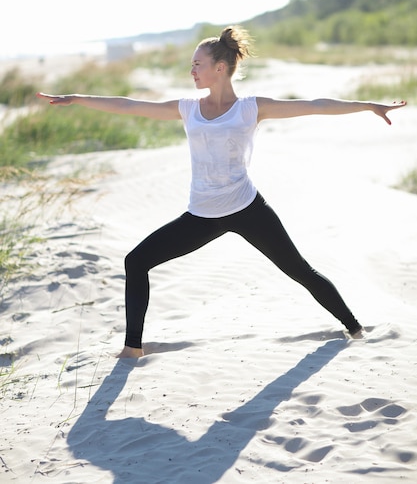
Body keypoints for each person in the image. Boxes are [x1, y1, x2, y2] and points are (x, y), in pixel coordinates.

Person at [37, 26, 406, 358]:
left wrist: (369, 106)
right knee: (137, 261)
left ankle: (355, 329)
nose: (192, 70)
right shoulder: (188, 109)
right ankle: (133, 348)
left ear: (220, 67)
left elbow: (315, 106)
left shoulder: (250, 109)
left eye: (197, 63)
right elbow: (129, 105)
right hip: (201, 216)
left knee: (300, 271)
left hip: (248, 208)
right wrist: (76, 98)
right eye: (191, 64)